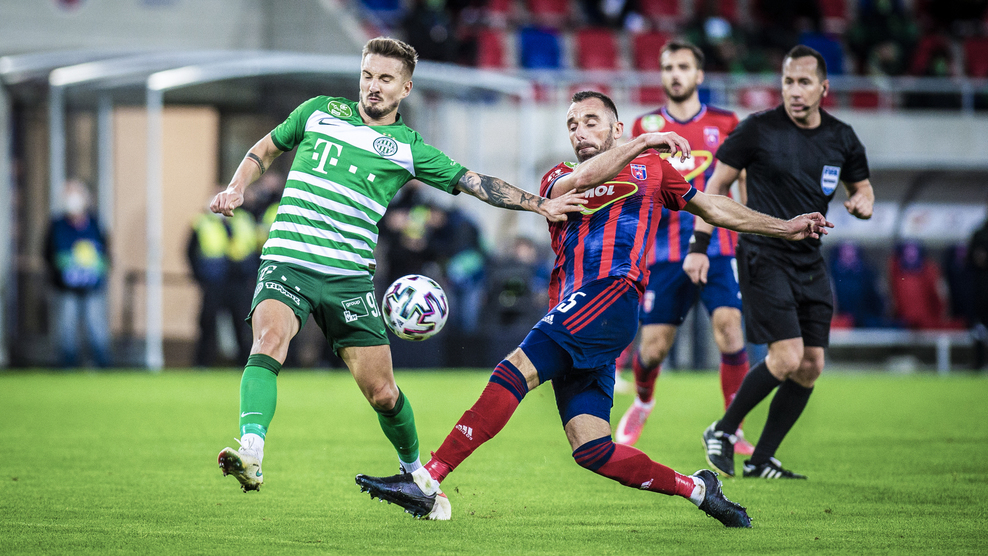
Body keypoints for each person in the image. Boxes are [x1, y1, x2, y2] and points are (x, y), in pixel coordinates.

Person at [355, 90, 832, 526]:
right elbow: (582, 179)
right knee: (592, 449)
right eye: (572, 125)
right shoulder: (557, 176)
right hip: (577, 310)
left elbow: (713, 206)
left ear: (616, 128)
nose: (579, 131)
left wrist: (785, 226)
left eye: (590, 122)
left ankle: (427, 480)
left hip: (612, 294)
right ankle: (698, 489)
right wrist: (643, 142)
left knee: (513, 371)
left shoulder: (653, 171)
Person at [212, 37, 586, 504]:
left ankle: (419, 480)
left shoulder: (408, 148)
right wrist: (237, 187)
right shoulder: (318, 111)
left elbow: (475, 182)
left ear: (405, 88)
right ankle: (251, 452)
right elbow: (266, 148)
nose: (373, 86)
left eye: (385, 79)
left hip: (349, 279)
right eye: (367, 75)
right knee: (268, 342)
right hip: (289, 260)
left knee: (384, 394)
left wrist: (539, 204)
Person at [697, 45, 875, 480]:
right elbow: (714, 187)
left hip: (810, 260)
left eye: (804, 82)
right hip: (763, 254)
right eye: (788, 82)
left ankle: (761, 460)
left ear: (824, 88)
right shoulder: (756, 129)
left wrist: (862, 202)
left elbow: (863, 188)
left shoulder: (842, 137)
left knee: (811, 365)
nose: (795, 91)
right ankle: (722, 431)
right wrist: (699, 245)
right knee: (788, 355)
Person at [615, 40, 753, 452]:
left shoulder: (727, 122)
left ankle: (732, 428)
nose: (675, 74)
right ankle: (643, 401)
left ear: (699, 74)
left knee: (729, 328)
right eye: (668, 67)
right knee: (654, 348)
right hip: (664, 250)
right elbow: (633, 183)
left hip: (719, 246)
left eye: (683, 67)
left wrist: (752, 231)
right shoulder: (645, 126)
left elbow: (743, 181)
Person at [44, 179, 112, 368]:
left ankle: (102, 364)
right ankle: (67, 364)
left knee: (96, 325)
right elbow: (48, 254)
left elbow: (105, 252)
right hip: (65, 287)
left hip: (92, 286)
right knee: (66, 327)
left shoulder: (95, 223)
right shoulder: (57, 225)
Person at [187, 186, 258, 366]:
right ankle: (203, 363)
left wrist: (252, 276)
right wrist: (200, 279)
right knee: (207, 323)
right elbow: (190, 253)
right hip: (215, 282)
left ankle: (245, 363)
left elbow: (255, 250)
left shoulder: (244, 219)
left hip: (239, 282)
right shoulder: (201, 222)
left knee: (243, 325)